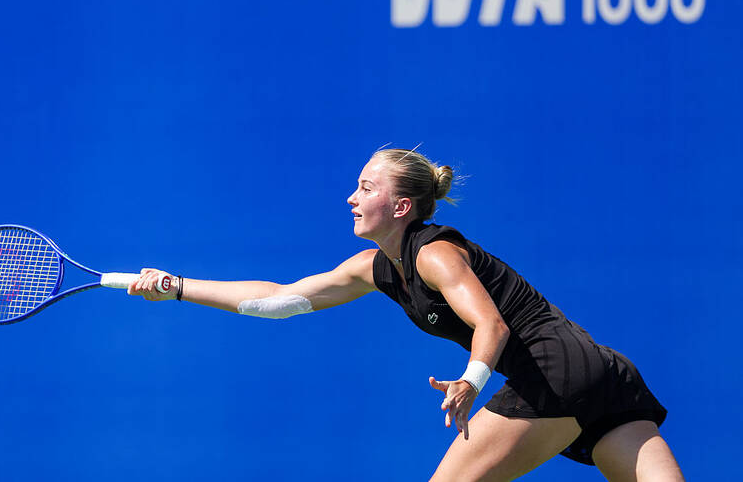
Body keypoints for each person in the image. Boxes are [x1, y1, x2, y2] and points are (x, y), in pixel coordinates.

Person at [128, 148, 685, 481]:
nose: (351, 197)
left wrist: (470, 382)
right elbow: (278, 300)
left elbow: (491, 324)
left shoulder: (434, 252)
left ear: (400, 207)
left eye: (366, 187)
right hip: (604, 373)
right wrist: (177, 287)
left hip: (554, 372)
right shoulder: (377, 268)